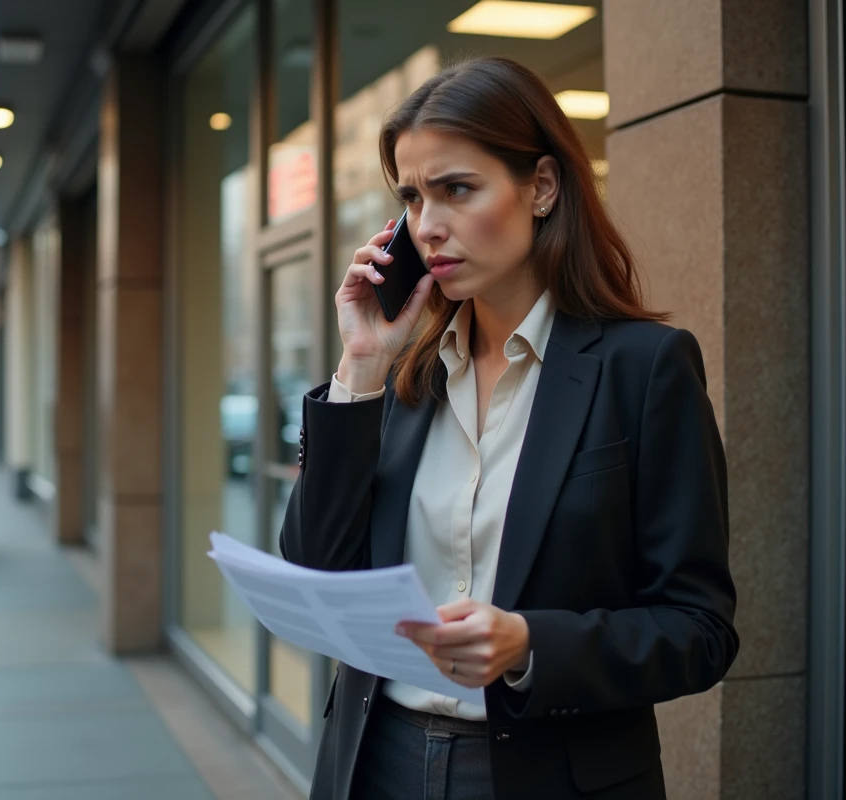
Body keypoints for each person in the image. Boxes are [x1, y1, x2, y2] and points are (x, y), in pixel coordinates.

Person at [280, 58, 738, 800]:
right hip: (377, 760)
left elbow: (700, 631)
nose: (428, 226)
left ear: (543, 187)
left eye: (457, 189)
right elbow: (317, 566)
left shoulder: (643, 368)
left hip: (546, 773)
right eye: (412, 197)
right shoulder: (405, 377)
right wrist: (359, 366)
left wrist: (528, 645)